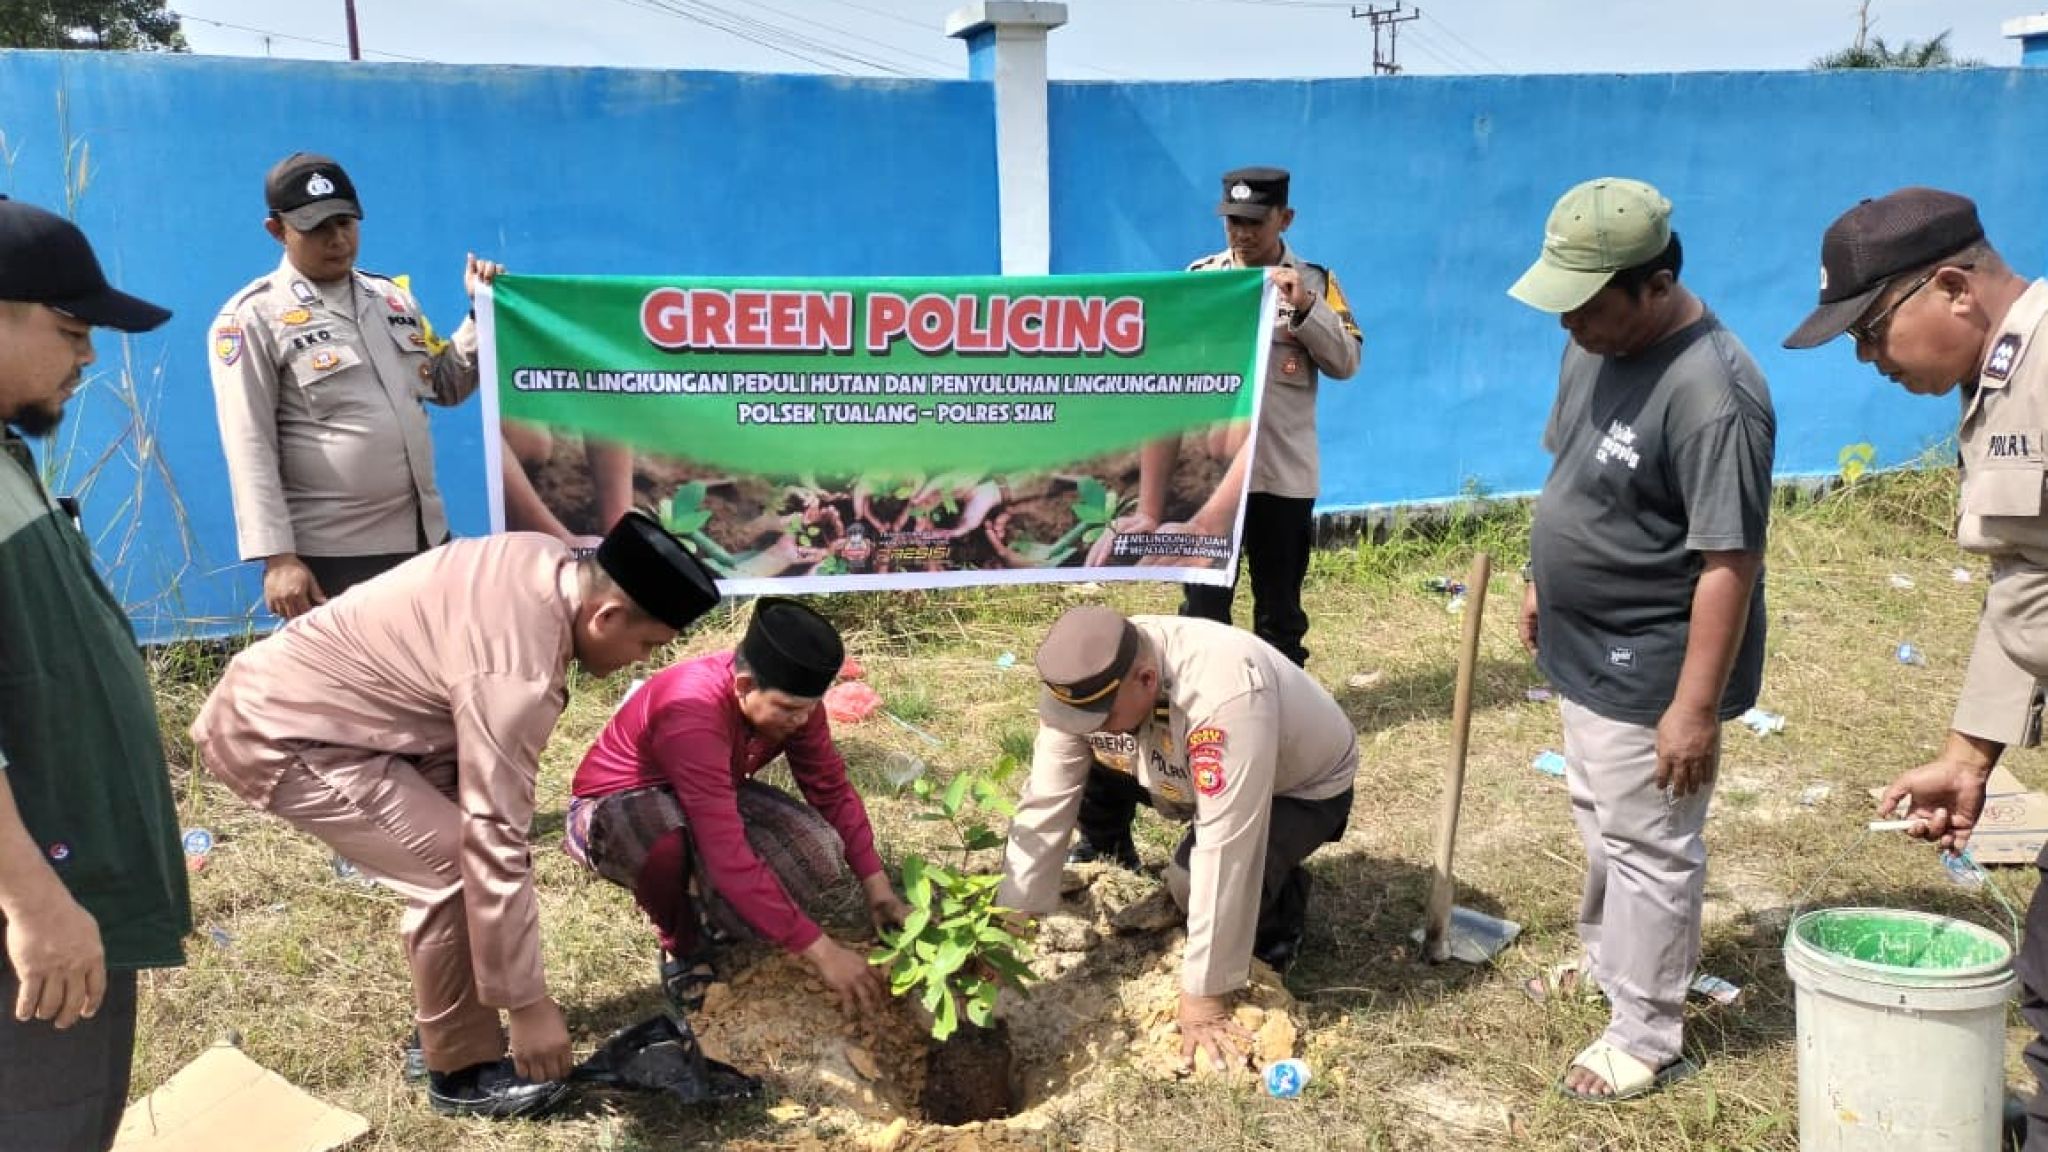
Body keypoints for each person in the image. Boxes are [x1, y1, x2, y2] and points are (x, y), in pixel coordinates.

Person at [189, 510, 720, 1118]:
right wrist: (528, 1004)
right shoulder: (516, 673)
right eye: (646, 644)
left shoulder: (541, 558)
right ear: (604, 616)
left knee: (458, 860)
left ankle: (446, 1030)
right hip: (285, 730)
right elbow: (494, 838)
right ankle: (458, 1073)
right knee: (455, 871)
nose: (641, 661)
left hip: (377, 720)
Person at [1783, 187, 2048, 1146]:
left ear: (1951, 288)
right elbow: (2029, 583)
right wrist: (1968, 759)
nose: (1866, 358)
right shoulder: (2005, 385)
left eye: (1871, 331)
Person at [1507, 177, 1775, 1102]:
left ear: (1654, 286)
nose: (1567, 323)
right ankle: (1611, 962)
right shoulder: (1595, 341)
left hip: (1653, 660)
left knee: (1650, 842)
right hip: (1586, 638)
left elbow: (1728, 562)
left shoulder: (1716, 394)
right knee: (1600, 820)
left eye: (1585, 305)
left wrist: (1693, 708)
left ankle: (1646, 1029)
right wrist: (1545, 576)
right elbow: (1570, 468)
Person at [0, 199, 189, 1152]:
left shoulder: (5, 452)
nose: (88, 358)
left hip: (64, 880)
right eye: (72, 332)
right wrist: (31, 899)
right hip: (32, 902)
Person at [998, 606, 1357, 1072]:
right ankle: (1107, 847)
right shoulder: (1094, 676)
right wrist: (1011, 918)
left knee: (1190, 883)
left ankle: (1281, 912)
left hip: (1296, 787)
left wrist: (1205, 996)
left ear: (1147, 679)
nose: (1085, 723)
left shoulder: (1224, 697)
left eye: (1098, 714)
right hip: (1171, 763)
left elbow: (1228, 844)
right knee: (1098, 748)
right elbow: (1047, 797)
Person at [565, 597, 909, 1023]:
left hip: (708, 789)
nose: (800, 721)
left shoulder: (796, 707)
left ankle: (712, 911)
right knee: (666, 843)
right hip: (614, 807)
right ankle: (682, 944)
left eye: (808, 709)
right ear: (743, 685)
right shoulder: (693, 712)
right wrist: (822, 951)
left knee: (817, 850)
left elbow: (831, 791)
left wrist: (879, 892)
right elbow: (728, 855)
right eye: (788, 709)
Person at [208, 151, 505, 619]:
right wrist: (278, 558)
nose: (337, 239)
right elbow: (250, 446)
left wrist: (480, 315)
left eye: (346, 222)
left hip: (423, 538)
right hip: (334, 553)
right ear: (277, 230)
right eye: (317, 227)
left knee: (424, 682)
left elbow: (446, 385)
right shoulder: (252, 317)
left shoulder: (392, 299)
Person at [1094, 167, 1361, 665]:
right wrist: (1152, 507)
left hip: (1281, 480)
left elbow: (1346, 362)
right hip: (1208, 485)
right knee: (1203, 611)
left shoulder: (1315, 283)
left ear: (1285, 218)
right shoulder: (1200, 283)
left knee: (1280, 613)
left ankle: (1284, 716)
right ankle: (1211, 706)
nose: (1241, 232)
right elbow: (1170, 393)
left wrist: (1303, 308)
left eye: (1255, 221)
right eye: (1233, 220)